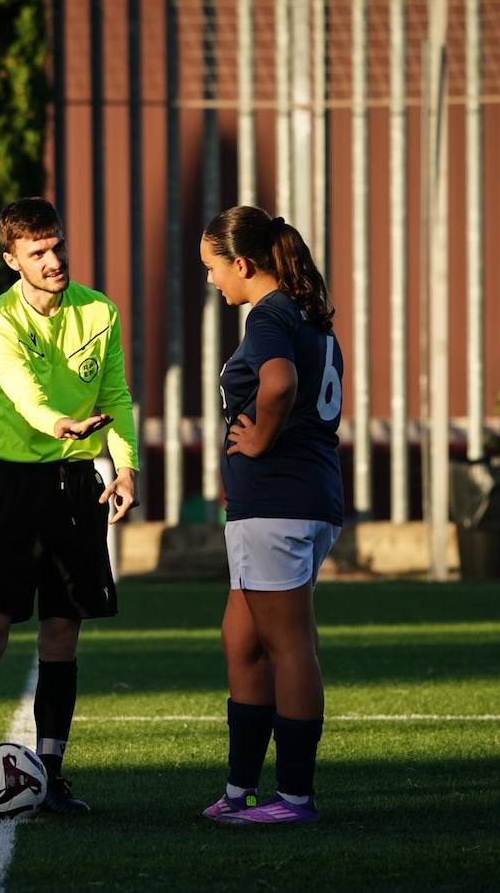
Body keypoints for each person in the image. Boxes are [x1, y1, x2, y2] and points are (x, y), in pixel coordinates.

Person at [0, 197, 139, 818]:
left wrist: (124, 466)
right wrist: (61, 423)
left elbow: (118, 395)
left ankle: (50, 776)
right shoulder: (0, 325)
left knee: (62, 634)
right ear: (11, 260)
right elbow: (24, 397)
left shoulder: (98, 309)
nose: (53, 261)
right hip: (16, 489)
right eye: (37, 253)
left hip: (78, 487)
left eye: (56, 247)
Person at [197, 206, 343, 826]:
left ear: (242, 263)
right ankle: (239, 789)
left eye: (213, 268)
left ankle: (294, 797)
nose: (210, 281)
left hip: (281, 503)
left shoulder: (270, 313)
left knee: (289, 644)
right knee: (243, 640)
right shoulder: (302, 312)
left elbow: (278, 384)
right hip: (293, 500)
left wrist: (257, 444)